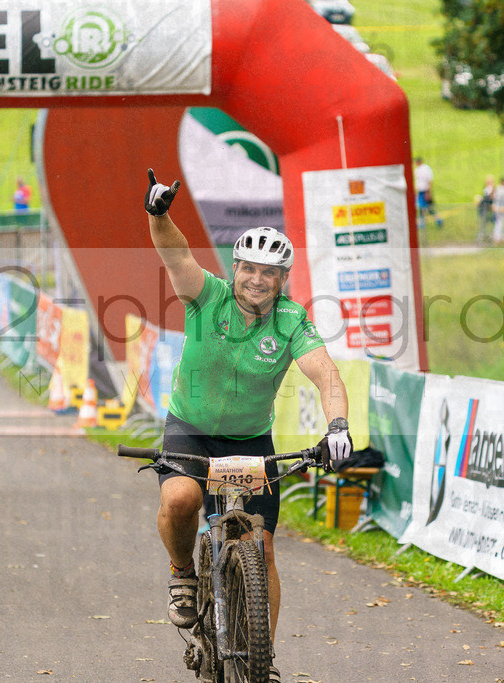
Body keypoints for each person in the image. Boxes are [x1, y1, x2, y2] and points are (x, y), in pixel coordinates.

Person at [144, 168, 351, 683]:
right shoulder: (206, 295)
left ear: (283, 280)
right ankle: (183, 575)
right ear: (234, 269)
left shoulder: (290, 321)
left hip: (250, 442)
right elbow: (176, 254)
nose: (257, 279)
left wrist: (339, 425)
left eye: (270, 272)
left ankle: (262, 659)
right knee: (180, 500)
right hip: (191, 429)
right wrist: (159, 214)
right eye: (249, 269)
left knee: (261, 546)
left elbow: (325, 373)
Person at [413, 155, 443, 229]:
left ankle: (438, 220)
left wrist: (428, 192)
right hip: (420, 192)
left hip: (425, 191)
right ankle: (423, 223)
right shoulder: (417, 170)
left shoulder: (426, 169)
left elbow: (429, 181)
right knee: (421, 207)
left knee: (429, 208)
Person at [476, 174, 495, 242]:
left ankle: (490, 235)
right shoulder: (487, 189)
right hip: (484, 209)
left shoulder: (491, 189)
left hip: (489, 210)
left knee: (491, 222)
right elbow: (489, 196)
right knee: (484, 223)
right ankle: (482, 236)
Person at [492, 176, 504, 245]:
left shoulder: (502, 189)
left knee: (501, 223)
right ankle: (497, 238)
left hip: (501, 208)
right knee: (499, 223)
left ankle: (500, 237)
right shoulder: (501, 189)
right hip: (499, 208)